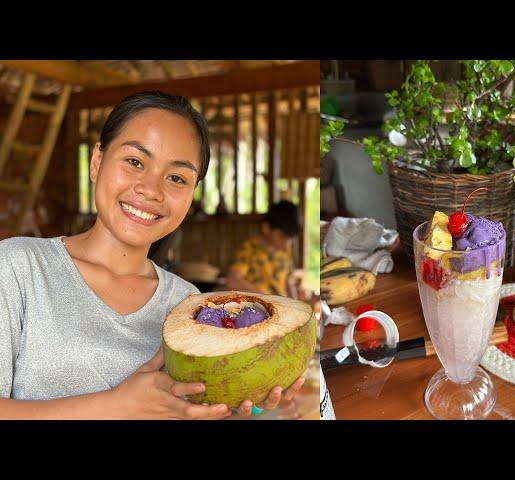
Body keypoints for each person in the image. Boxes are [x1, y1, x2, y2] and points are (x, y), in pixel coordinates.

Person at [0, 91, 303, 419]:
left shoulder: (189, 304)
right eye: (135, 162)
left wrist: (242, 397)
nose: (151, 189)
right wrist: (116, 406)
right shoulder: (17, 266)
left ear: (190, 196)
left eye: (176, 177)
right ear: (97, 163)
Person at [227, 200, 305, 298]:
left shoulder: (285, 251)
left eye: (290, 238)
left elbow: (288, 282)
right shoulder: (249, 249)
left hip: (281, 307)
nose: (286, 243)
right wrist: (266, 299)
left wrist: (295, 304)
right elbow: (233, 280)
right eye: (282, 236)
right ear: (266, 227)